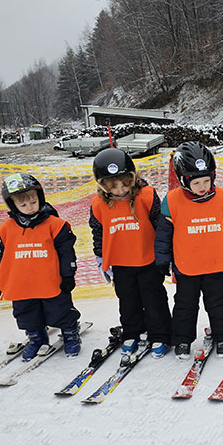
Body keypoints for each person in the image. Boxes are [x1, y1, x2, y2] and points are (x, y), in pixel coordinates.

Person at [155, 141, 223, 359]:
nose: (202, 186)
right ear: (183, 180)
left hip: (215, 263)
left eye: (206, 180)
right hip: (186, 265)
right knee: (185, 304)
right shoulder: (172, 201)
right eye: (196, 182)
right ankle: (182, 340)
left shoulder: (222, 198)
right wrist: (162, 259)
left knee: (218, 302)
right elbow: (163, 234)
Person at [89, 148, 172, 358]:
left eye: (125, 184)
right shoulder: (98, 204)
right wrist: (100, 259)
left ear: (133, 178)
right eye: (113, 186)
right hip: (120, 263)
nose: (120, 190)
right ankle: (132, 332)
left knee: (153, 300)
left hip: (148, 260)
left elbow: (160, 225)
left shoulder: (146, 195)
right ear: (103, 185)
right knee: (127, 300)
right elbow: (98, 233)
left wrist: (165, 254)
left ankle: (160, 334)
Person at [0, 172, 82, 359]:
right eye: (23, 205)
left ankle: (70, 333)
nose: (29, 207)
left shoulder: (56, 225)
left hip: (50, 281)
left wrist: (68, 275)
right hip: (22, 284)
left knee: (60, 310)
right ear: (13, 205)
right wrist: (1, 279)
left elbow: (66, 253)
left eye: (33, 202)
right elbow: (4, 256)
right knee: (26, 313)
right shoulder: (6, 229)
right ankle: (36, 338)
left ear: (40, 198)